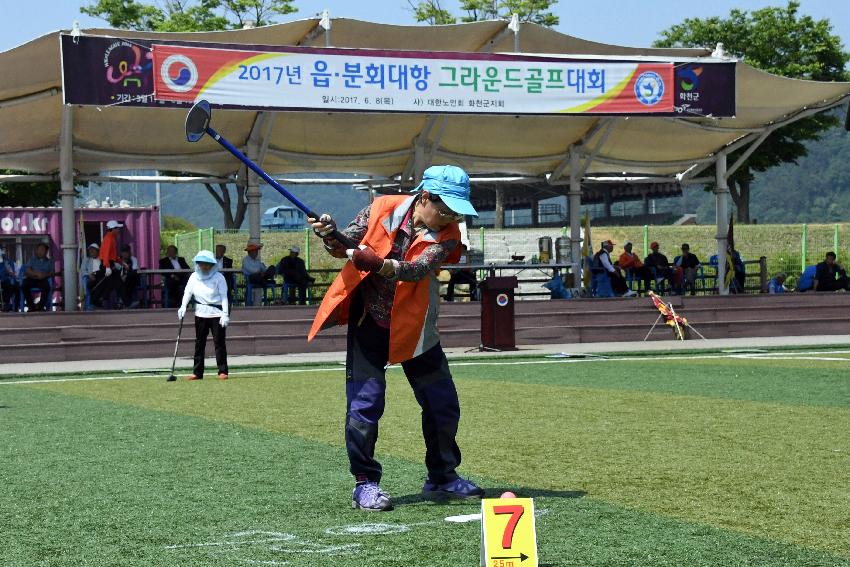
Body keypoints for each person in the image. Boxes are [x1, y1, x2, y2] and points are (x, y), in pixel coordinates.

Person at [307, 164, 485, 512]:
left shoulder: (448, 234)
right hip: (369, 323)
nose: (449, 217)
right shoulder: (380, 207)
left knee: (443, 405)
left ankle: (442, 477)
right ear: (425, 196)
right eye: (445, 208)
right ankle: (365, 484)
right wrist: (329, 234)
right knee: (365, 405)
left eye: (455, 211)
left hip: (416, 329)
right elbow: (346, 244)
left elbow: (417, 270)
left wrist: (379, 264)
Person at [178, 250, 230, 380]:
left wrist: (225, 314)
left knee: (219, 343)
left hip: (216, 315)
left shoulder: (219, 277)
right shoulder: (193, 277)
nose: (204, 267)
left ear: (212, 264)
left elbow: (224, 296)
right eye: (201, 264)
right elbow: (188, 292)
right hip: (200, 314)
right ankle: (197, 372)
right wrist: (183, 306)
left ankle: (222, 370)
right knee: (199, 343)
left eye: (207, 264)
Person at [98, 220, 124, 307]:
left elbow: (113, 255)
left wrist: (120, 262)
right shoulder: (108, 238)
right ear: (113, 229)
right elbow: (106, 254)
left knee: (111, 284)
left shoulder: (111, 238)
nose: (118, 230)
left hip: (110, 263)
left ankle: (104, 301)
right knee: (116, 282)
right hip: (107, 263)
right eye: (117, 228)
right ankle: (123, 302)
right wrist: (107, 266)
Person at [22, 243, 54, 311]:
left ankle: (40, 307)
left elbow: (51, 273)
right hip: (32, 278)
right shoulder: (32, 260)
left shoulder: (49, 262)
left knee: (46, 287)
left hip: (43, 279)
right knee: (24, 285)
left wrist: (43, 275)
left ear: (46, 251)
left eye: (42, 250)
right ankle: (31, 306)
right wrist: (36, 274)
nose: (39, 252)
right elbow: (27, 270)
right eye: (38, 250)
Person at [117, 244, 141, 308]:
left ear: (129, 252)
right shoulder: (117, 260)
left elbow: (135, 271)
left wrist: (126, 275)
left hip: (131, 279)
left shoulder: (134, 259)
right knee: (119, 281)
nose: (125, 254)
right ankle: (127, 303)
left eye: (126, 252)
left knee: (131, 277)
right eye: (123, 252)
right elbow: (116, 271)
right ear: (121, 253)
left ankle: (122, 301)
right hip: (120, 279)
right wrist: (121, 276)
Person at [80, 243, 103, 308]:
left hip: (100, 277)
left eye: (93, 250)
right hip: (90, 277)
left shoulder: (101, 260)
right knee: (85, 280)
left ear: (98, 251)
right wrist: (89, 275)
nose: (91, 251)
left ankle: (96, 303)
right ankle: (88, 305)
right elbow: (83, 270)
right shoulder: (86, 260)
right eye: (90, 250)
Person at [0, 245, 19, 312]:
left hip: (5, 282)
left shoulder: (8, 262)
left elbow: (16, 274)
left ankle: (12, 307)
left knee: (15, 287)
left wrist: (10, 272)